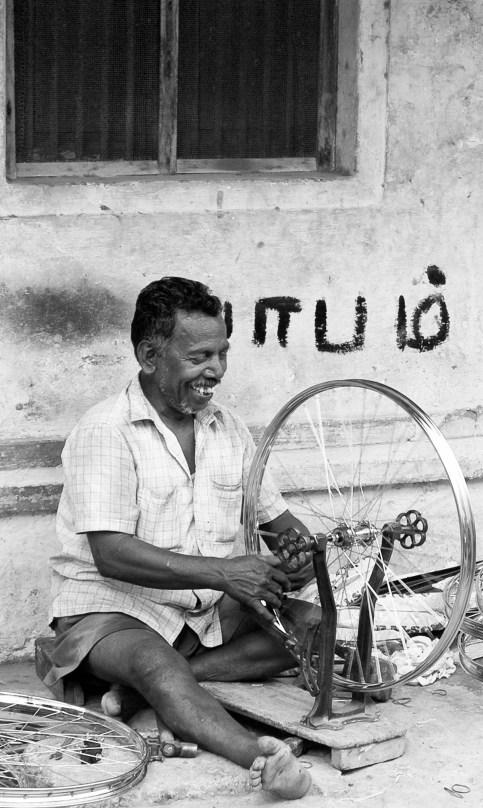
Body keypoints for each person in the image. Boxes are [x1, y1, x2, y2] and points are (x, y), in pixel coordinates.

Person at [47, 277, 314, 798]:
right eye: (198, 357)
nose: (214, 371)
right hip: (112, 609)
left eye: (221, 354)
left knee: (313, 628)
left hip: (206, 609)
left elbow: (280, 524)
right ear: (150, 355)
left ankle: (151, 692)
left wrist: (306, 553)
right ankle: (258, 755)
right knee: (153, 660)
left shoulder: (228, 428)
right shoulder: (107, 430)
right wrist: (226, 573)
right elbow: (111, 554)